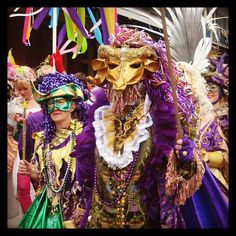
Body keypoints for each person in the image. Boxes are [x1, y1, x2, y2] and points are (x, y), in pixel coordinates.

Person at [71, 26, 205, 228]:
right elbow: (86, 174)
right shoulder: (98, 118)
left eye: (133, 67)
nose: (122, 81)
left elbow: (179, 182)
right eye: (114, 67)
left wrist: (184, 159)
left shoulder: (159, 119)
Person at [17, 72, 91, 228]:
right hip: (48, 212)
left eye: (61, 101)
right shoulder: (42, 138)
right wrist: (32, 172)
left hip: (79, 211)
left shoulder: (85, 136)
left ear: (72, 106)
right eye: (51, 103)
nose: (55, 107)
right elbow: (45, 179)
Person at [176, 61, 228, 228]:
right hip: (174, 190)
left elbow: (223, 156)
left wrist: (202, 156)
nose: (185, 95)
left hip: (208, 186)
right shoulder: (165, 120)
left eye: (189, 90)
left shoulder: (210, 120)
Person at [202, 53, 229, 142]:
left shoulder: (225, 116)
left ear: (221, 92)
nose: (208, 91)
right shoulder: (198, 113)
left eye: (213, 87)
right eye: (206, 87)